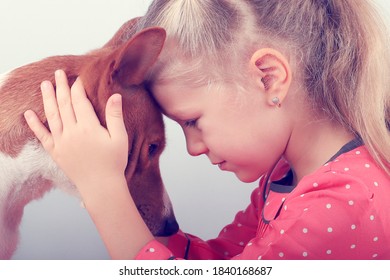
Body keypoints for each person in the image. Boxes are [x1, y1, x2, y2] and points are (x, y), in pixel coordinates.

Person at [24, 0, 390, 259]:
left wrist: (103, 191)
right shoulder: (287, 176)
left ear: (268, 78)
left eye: (192, 121)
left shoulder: (343, 205)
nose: (193, 148)